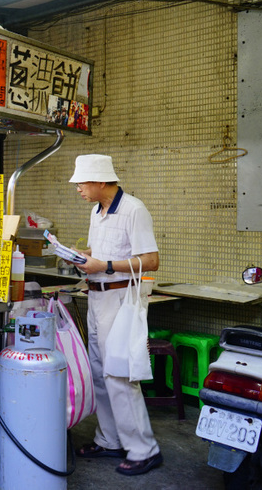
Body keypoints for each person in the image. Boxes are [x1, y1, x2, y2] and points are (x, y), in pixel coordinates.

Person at [69, 154, 163, 476]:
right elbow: (99, 253)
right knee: (99, 372)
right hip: (96, 297)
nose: (79, 189)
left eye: (82, 183)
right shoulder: (97, 211)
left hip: (122, 299)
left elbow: (151, 260)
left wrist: (105, 266)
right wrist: (82, 256)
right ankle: (109, 439)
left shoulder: (134, 209)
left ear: (99, 180)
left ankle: (144, 450)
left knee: (119, 375)